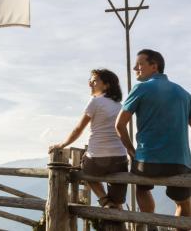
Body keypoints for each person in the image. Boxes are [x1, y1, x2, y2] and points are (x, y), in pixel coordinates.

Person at [115, 49, 191, 230]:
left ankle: (152, 227)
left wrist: (131, 151)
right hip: (180, 161)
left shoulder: (141, 88)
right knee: (183, 202)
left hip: (146, 160)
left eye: (139, 64)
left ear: (154, 66)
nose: (135, 68)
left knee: (142, 188)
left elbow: (119, 125)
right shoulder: (184, 94)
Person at [49, 69, 128, 208]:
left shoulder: (95, 102)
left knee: (83, 170)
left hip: (96, 160)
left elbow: (78, 129)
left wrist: (61, 145)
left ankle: (103, 199)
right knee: (118, 203)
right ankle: (114, 208)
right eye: (90, 81)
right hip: (119, 159)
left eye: (94, 81)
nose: (90, 84)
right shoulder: (120, 106)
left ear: (106, 85)